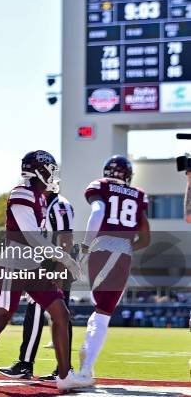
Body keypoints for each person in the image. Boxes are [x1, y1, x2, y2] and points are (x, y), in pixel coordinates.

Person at [0, 151, 90, 392]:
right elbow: (32, 237)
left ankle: (64, 375)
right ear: (38, 170)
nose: (53, 175)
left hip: (33, 265)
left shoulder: (41, 197)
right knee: (1, 316)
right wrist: (66, 258)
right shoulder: (21, 193)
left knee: (61, 313)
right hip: (16, 264)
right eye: (50, 169)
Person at [77, 155, 151, 383]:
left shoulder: (101, 185)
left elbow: (98, 212)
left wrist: (87, 245)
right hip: (122, 250)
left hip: (102, 246)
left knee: (101, 309)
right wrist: (125, 246)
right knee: (103, 312)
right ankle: (85, 369)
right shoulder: (138, 194)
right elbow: (146, 237)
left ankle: (86, 365)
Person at [0, 180, 75, 381]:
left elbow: (66, 239)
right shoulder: (37, 202)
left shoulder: (59, 204)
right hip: (42, 261)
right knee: (46, 312)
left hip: (55, 263)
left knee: (54, 312)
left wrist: (59, 269)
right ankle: (53, 367)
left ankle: (37, 365)